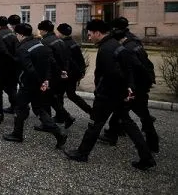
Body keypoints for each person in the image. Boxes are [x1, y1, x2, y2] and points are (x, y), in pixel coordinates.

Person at [64, 19, 156, 171]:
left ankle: (82, 153)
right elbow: (128, 68)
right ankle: (146, 157)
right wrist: (129, 88)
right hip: (119, 93)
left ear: (98, 33)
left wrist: (100, 92)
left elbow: (110, 75)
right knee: (128, 123)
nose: (89, 37)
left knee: (94, 124)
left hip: (108, 95)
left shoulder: (106, 49)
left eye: (90, 34)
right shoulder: (116, 45)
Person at [3, 23, 67, 149]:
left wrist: (40, 81)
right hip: (39, 83)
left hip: (28, 84)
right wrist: (45, 80)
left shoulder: (22, 49)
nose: (16, 37)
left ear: (20, 35)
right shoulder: (40, 44)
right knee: (39, 109)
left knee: (20, 108)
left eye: (16, 34)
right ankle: (59, 133)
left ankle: (17, 134)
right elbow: (49, 63)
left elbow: (29, 69)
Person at [99, 28, 159, 153]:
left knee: (126, 112)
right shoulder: (135, 44)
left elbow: (136, 67)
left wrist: (132, 85)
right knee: (128, 112)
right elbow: (147, 64)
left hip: (138, 87)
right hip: (142, 84)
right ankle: (152, 143)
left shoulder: (128, 49)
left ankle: (148, 147)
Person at [37, 20, 75, 129]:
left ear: (44, 30)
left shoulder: (45, 42)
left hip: (51, 75)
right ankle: (66, 117)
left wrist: (49, 76)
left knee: (45, 100)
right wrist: (64, 71)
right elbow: (67, 58)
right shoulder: (59, 40)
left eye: (40, 30)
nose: (40, 32)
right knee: (53, 99)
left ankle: (47, 124)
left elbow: (50, 61)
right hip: (60, 75)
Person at [55, 23, 92, 115]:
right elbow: (81, 59)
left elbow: (65, 61)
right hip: (75, 73)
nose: (57, 34)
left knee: (59, 95)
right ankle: (90, 111)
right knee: (71, 95)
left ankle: (61, 116)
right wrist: (81, 71)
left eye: (58, 32)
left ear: (61, 33)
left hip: (68, 74)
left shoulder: (63, 44)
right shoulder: (73, 42)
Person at [0, 16, 19, 114]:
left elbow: (2, 51)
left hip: (3, 66)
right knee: (12, 88)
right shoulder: (11, 33)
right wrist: (15, 60)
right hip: (13, 66)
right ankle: (15, 107)